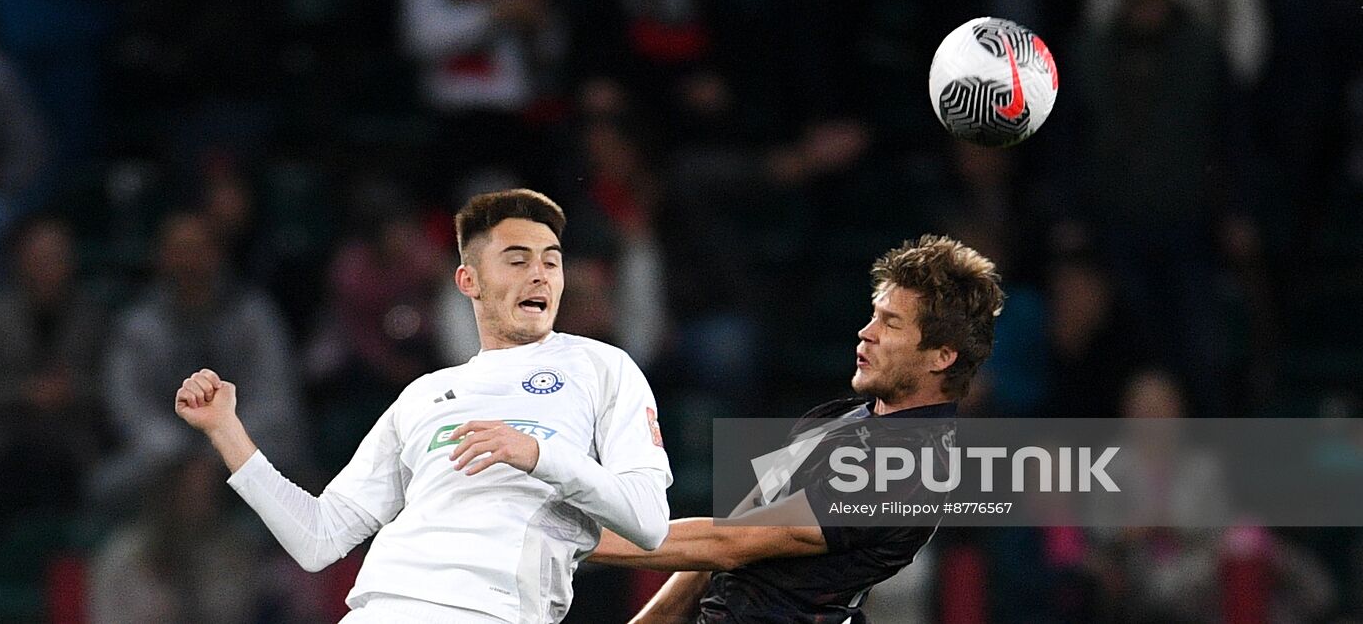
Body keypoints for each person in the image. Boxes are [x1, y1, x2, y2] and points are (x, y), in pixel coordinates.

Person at [174, 188, 672, 623]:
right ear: (468, 281)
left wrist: (539, 455)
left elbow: (648, 522)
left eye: (552, 260)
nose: (539, 275)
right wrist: (226, 431)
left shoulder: (602, 367)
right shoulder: (424, 394)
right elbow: (318, 539)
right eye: (518, 260)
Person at [590, 234, 1004, 624]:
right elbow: (726, 536)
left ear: (941, 357)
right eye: (874, 316)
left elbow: (731, 543)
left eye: (891, 324)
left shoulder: (908, 468)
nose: (866, 332)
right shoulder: (840, 416)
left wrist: (573, 538)